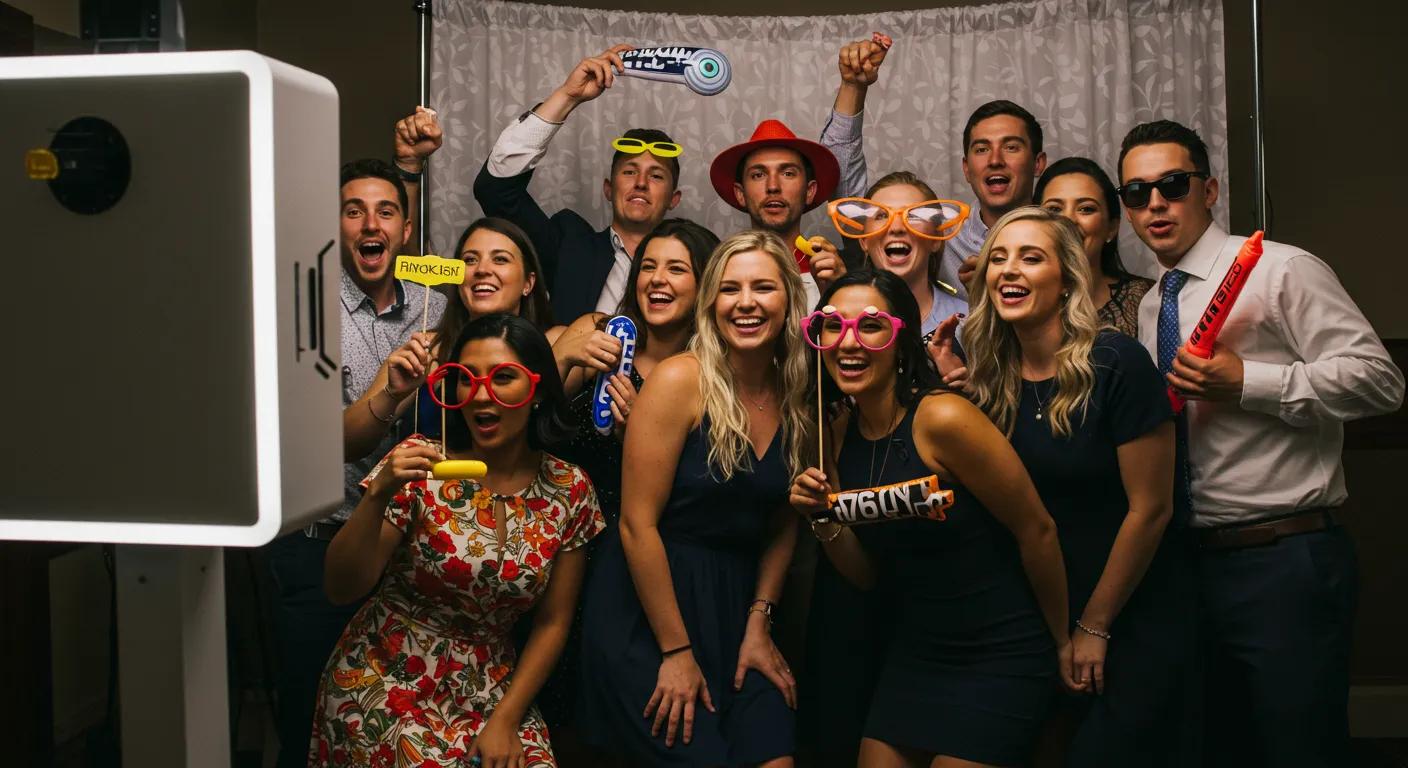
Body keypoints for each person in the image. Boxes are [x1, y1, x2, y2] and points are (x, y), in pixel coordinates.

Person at [1120, 119, 1404, 767]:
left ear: (1209, 188)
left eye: (1171, 185)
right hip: (1187, 563)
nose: (1155, 204)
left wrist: (1248, 380)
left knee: (1297, 747)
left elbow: (1380, 383)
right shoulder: (1150, 306)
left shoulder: (1281, 271)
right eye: (1136, 194)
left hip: (1283, 557)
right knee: (1215, 745)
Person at [790, 268, 1076, 767]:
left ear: (902, 342)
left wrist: (1062, 642)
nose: (848, 342)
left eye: (871, 326)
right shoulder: (834, 436)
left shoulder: (942, 419)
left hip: (1002, 648)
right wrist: (823, 519)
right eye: (832, 325)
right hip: (917, 650)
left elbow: (1037, 530)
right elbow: (865, 574)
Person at [309, 314, 604, 767]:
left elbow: (552, 624)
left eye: (503, 377)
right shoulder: (422, 465)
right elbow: (339, 587)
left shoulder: (570, 489)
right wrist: (379, 495)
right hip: (387, 675)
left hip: (493, 686)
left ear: (539, 390)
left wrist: (506, 720)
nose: (481, 394)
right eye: (466, 379)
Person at [962, 206, 1196, 765]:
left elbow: (1151, 510)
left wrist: (1096, 625)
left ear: (1067, 277)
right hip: (1038, 614)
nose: (1008, 271)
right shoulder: (989, 379)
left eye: (1030, 257)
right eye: (998, 257)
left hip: (1128, 609)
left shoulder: (1117, 362)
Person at [578, 230, 812, 766]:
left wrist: (759, 622)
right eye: (730, 289)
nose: (746, 303)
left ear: (789, 300)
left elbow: (784, 517)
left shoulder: (798, 390)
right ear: (712, 303)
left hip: (738, 606)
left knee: (776, 754)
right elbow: (637, 524)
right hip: (652, 610)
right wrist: (676, 651)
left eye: (763, 288)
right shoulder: (681, 380)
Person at [265, 149, 448, 768]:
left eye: (386, 212)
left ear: (406, 229)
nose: (371, 225)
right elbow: (331, 445)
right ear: (334, 224)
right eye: (354, 211)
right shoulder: (302, 311)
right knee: (311, 717)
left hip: (410, 550)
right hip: (319, 544)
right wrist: (391, 392)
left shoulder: (437, 307)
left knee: (396, 722)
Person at [532, 218, 719, 751]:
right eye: (649, 267)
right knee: (563, 714)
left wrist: (646, 427)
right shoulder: (600, 333)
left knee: (637, 720)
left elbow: (711, 486)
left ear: (705, 283)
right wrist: (565, 360)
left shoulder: (710, 374)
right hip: (565, 551)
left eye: (677, 269)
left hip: (643, 561)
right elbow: (533, 429)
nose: (657, 280)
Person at [820, 35, 1046, 298]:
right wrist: (852, 87)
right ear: (966, 168)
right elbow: (847, 192)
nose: (995, 160)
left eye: (1011, 147)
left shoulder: (1061, 235)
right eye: (982, 149)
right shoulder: (941, 233)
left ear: (1038, 163)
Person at [474, 44, 684, 322]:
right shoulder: (570, 246)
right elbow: (496, 189)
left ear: (674, 198)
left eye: (656, 175)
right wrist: (568, 96)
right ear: (608, 189)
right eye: (630, 172)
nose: (642, 183)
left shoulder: (694, 261)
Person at [342, 217, 557, 462]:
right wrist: (392, 393)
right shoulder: (426, 351)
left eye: (500, 259)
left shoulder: (554, 344)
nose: (482, 269)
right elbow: (346, 447)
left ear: (528, 283)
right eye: (469, 260)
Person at [710, 119, 845, 308]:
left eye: (788, 173)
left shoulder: (830, 270)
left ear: (809, 191)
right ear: (740, 194)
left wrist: (840, 291)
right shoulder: (720, 272)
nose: (773, 186)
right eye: (758, 175)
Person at [826, 170, 970, 338]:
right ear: (864, 241)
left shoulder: (967, 321)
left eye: (914, 216)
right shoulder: (837, 323)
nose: (896, 227)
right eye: (881, 216)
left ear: (936, 240)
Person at [1034, 157, 1153, 337]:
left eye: (1086, 209)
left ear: (1111, 228)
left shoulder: (1145, 299)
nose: (1068, 220)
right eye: (1054, 209)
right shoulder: (1019, 297)